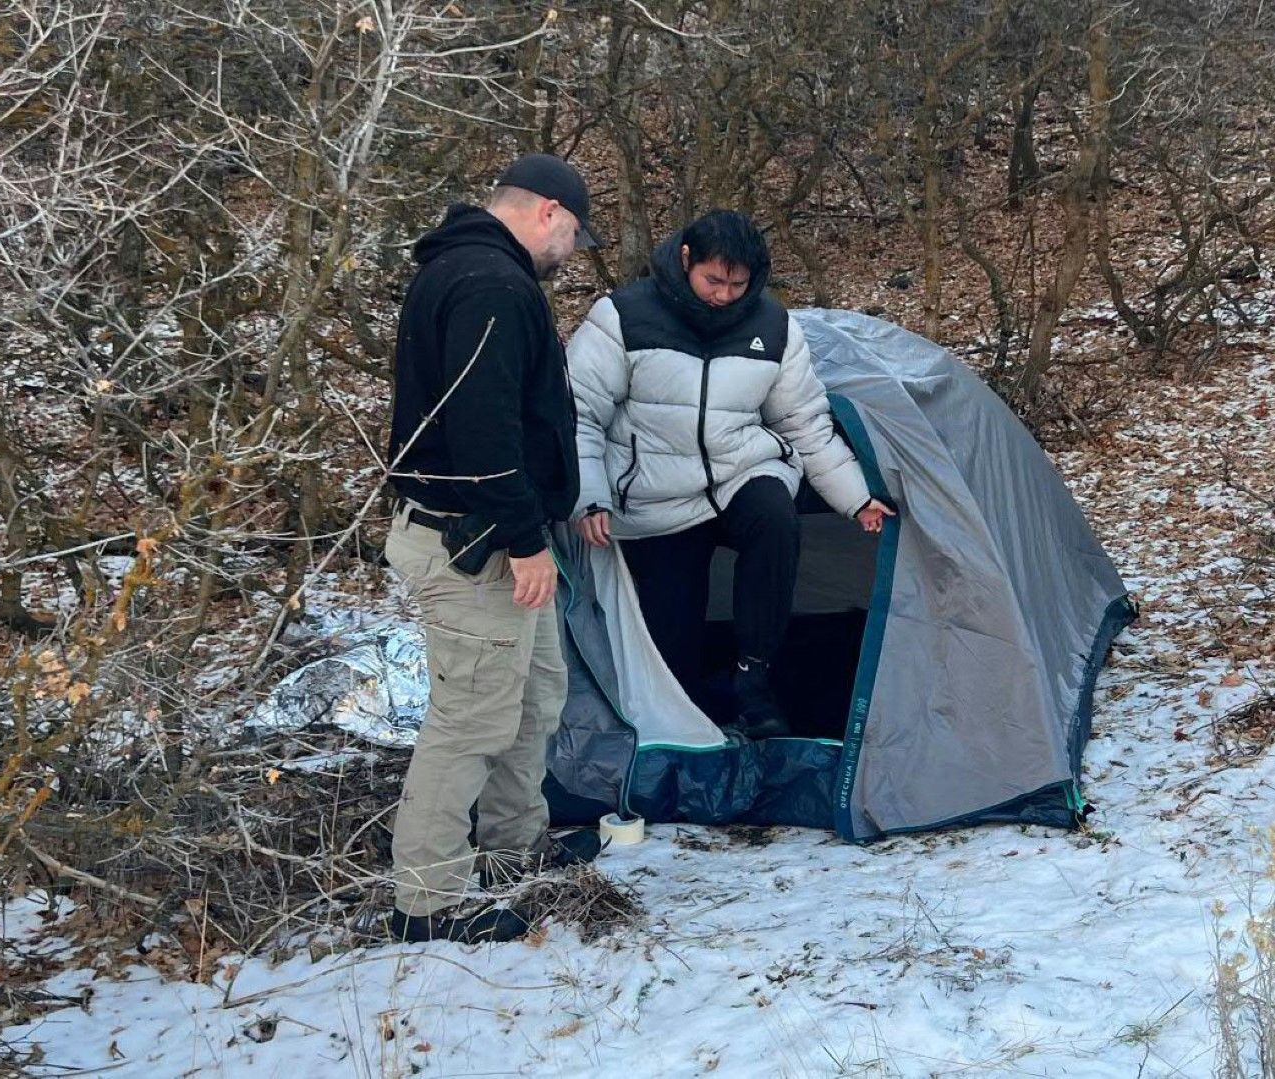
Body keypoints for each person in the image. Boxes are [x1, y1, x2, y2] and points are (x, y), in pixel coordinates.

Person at [381, 154, 602, 944]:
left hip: (500, 538)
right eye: (573, 234)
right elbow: (481, 434)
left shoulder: (474, 271)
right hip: (474, 544)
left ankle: (513, 846)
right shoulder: (490, 285)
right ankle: (427, 901)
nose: (571, 252)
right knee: (470, 720)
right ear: (547, 211)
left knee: (535, 694)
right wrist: (521, 538)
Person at [566, 210, 894, 739]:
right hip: (655, 494)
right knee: (672, 650)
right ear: (686, 259)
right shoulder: (622, 318)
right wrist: (590, 497)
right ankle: (693, 707)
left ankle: (754, 677)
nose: (723, 295)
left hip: (741, 471)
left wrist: (856, 498)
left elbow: (803, 422)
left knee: (775, 518)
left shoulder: (772, 326)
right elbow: (579, 412)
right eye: (713, 281)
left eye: (737, 284)